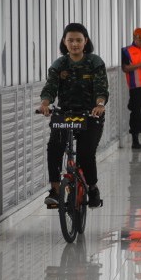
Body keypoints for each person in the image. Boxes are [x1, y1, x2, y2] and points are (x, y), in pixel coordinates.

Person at [39, 23, 108, 208]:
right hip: (65, 115)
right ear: (64, 42)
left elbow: (101, 88)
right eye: (70, 40)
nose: (75, 44)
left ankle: (92, 188)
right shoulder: (59, 64)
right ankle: (54, 190)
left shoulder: (94, 62)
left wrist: (100, 105)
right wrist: (45, 104)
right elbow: (50, 87)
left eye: (78, 40)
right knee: (54, 148)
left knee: (86, 155)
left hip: (90, 115)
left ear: (85, 41)